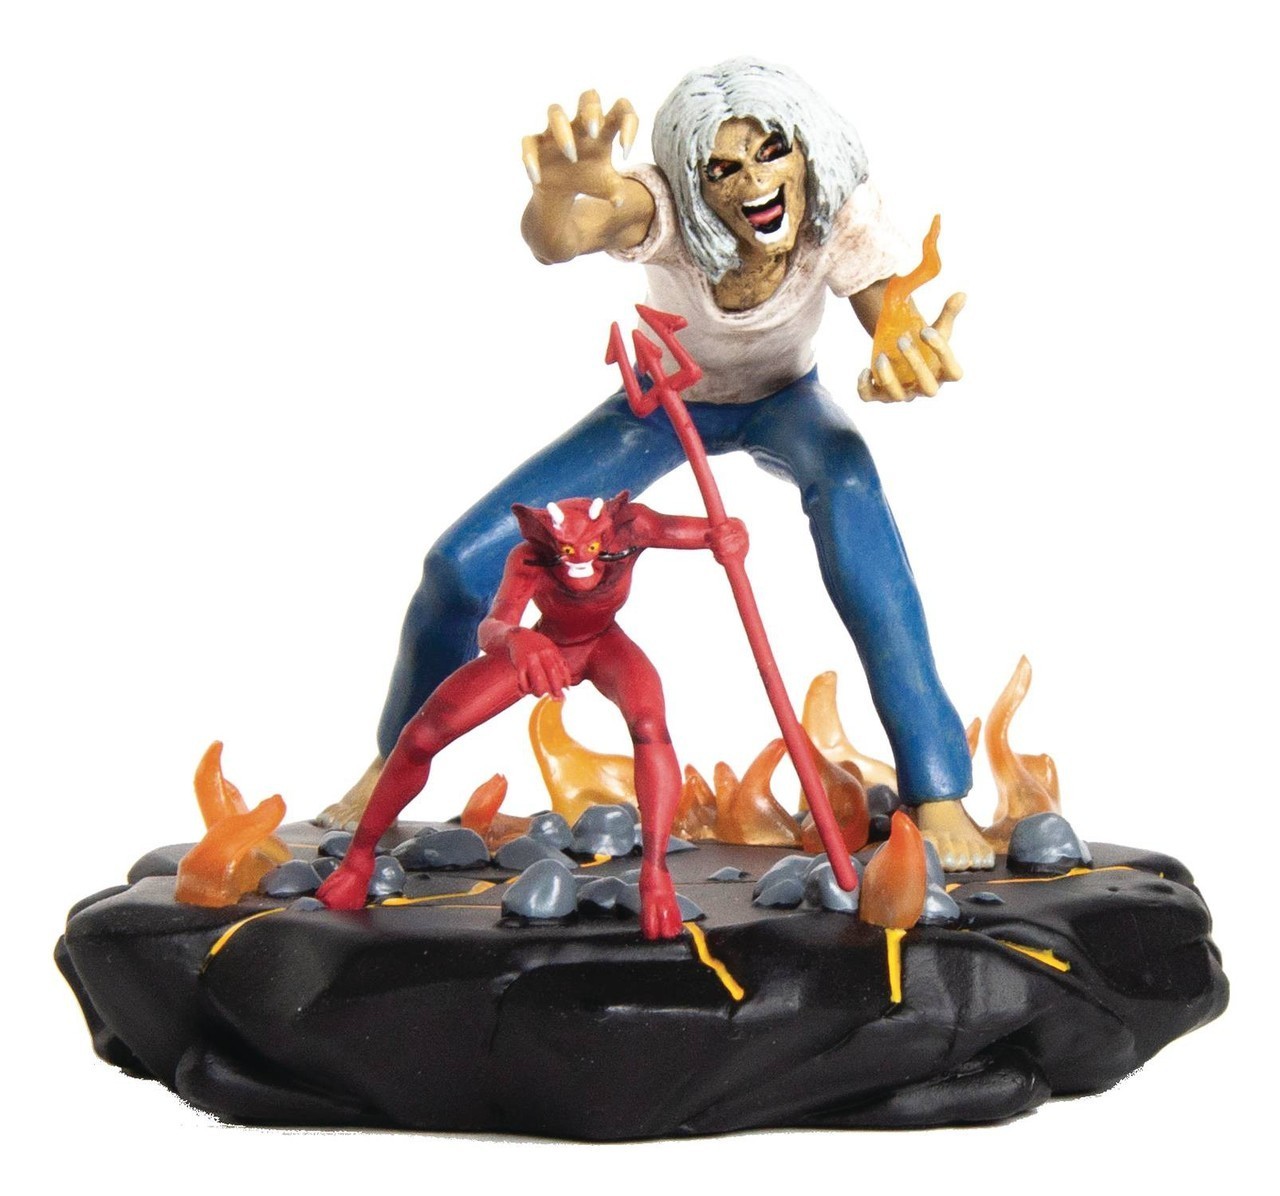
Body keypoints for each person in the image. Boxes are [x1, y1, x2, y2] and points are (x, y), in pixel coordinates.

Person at [320, 58, 993, 871]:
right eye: (724, 169)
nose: (754, 183)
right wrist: (558, 199)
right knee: (457, 567)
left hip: (786, 399)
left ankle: (937, 785)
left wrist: (901, 347)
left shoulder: (837, 208)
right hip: (661, 407)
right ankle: (391, 762)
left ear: (805, 150)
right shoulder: (667, 208)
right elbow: (567, 236)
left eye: (771, 153)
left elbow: (886, 310)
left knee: (851, 489)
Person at [316, 493, 748, 939]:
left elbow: (715, 531)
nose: (579, 562)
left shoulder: (633, 528)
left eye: (590, 549)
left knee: (649, 725)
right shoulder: (529, 558)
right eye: (566, 552)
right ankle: (358, 858)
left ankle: (655, 873)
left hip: (604, 644)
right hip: (543, 649)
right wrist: (518, 639)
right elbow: (491, 627)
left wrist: (731, 539)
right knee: (422, 735)